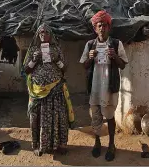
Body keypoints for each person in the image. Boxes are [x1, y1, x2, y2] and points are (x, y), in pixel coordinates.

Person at [79, 10, 128, 161]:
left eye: (105, 25)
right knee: (96, 117)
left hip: (109, 87)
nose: (102, 28)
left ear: (109, 27)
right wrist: (90, 58)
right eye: (99, 25)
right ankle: (97, 142)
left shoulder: (116, 43)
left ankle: (112, 144)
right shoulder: (90, 44)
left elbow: (123, 65)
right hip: (95, 88)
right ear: (95, 28)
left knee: (110, 117)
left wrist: (114, 56)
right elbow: (85, 66)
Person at [23, 23, 75, 157]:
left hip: (56, 90)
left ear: (50, 35)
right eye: (41, 32)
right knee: (37, 119)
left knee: (59, 118)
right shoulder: (33, 49)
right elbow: (25, 70)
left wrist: (57, 60)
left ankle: (60, 145)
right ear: (38, 35)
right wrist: (34, 60)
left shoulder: (56, 49)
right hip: (38, 92)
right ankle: (39, 146)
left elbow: (64, 69)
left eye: (46, 32)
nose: (43, 35)